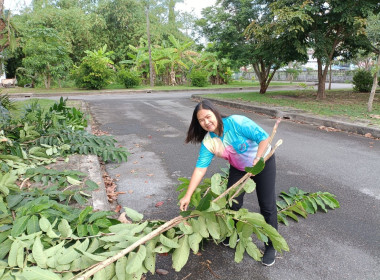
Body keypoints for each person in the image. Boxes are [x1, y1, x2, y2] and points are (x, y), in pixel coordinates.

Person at [179, 100, 278, 266]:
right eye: (201, 120)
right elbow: (200, 169)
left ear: (215, 114)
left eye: (208, 117)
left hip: (263, 163)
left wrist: (258, 158)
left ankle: (271, 246)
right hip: (239, 168)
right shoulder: (209, 142)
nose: (206, 122)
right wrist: (187, 195)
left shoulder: (237, 122)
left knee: (267, 206)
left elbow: (264, 138)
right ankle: (235, 234)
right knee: (233, 203)